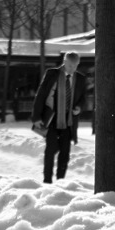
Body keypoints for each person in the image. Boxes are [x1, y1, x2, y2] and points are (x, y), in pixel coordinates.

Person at [31, 51, 86, 184]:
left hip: (68, 121)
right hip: (52, 118)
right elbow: (41, 95)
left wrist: (78, 107)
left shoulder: (80, 78)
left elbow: (82, 98)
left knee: (65, 153)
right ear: (64, 62)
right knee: (50, 150)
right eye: (70, 65)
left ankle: (61, 181)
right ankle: (47, 180)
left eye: (75, 66)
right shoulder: (52, 74)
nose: (72, 68)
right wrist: (36, 117)